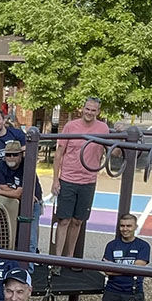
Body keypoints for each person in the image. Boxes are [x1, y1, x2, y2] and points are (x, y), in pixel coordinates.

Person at [52, 96, 111, 257]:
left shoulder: (103, 129)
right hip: (68, 179)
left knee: (78, 221)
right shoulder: (71, 127)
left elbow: (113, 151)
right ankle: (58, 259)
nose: (90, 112)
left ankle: (70, 258)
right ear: (82, 109)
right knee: (64, 220)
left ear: (98, 112)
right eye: (87, 109)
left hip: (88, 181)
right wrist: (55, 180)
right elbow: (59, 154)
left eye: (93, 110)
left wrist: (122, 137)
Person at [0, 140, 44, 252]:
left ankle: (28, 267)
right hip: (14, 202)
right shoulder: (1, 165)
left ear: (20, 155)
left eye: (15, 154)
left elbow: (12, 192)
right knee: (10, 234)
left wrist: (0, 193)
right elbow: (3, 186)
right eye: (8, 155)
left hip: (32, 203)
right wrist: (18, 195)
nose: (11, 157)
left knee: (30, 237)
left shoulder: (27, 167)